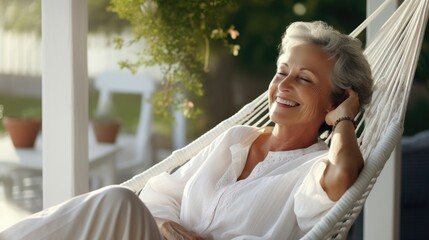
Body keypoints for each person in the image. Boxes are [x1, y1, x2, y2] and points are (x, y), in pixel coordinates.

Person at [0, 21, 373, 240]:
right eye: (281, 71)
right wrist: (164, 224)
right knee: (119, 202)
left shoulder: (313, 169)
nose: (285, 84)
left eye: (304, 79)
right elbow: (163, 194)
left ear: (333, 101)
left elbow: (341, 182)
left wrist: (344, 121)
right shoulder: (236, 139)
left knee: (116, 201)